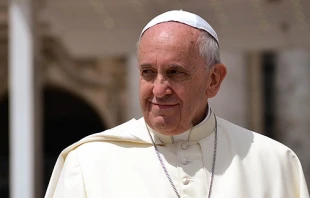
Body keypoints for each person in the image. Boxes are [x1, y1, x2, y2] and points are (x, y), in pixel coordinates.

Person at [45, 10, 309, 198]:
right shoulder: (87, 161)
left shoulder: (275, 163)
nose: (159, 90)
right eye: (148, 73)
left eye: (175, 73)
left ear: (213, 80)